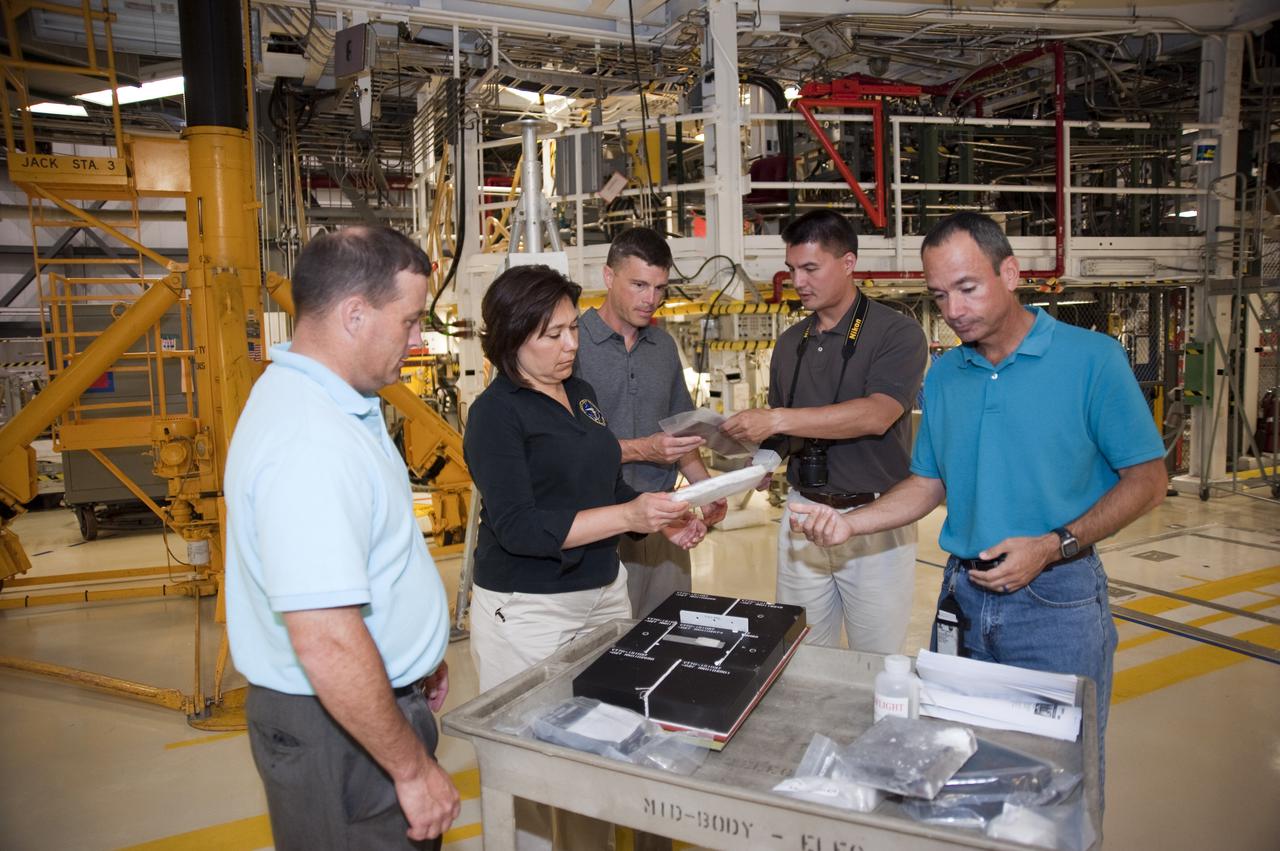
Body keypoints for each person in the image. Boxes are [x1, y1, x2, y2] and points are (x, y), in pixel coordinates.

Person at [790, 211, 1168, 795]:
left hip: (1057, 600)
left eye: (967, 288)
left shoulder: (1091, 360)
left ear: (1011, 273)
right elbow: (929, 482)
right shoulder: (945, 376)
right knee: (963, 767)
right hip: (962, 595)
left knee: (1061, 779)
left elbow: (1148, 478)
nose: (953, 309)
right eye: (940, 295)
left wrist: (1052, 545)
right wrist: (849, 524)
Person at [225, 226, 459, 849]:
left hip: (361, 706)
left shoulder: (337, 402)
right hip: (340, 732)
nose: (418, 340)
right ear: (355, 314)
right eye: (409, 321)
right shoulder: (310, 439)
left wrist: (416, 654)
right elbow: (326, 638)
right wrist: (410, 769)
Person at [463, 263, 705, 694]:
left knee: (605, 717)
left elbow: (605, 484)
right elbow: (520, 529)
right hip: (532, 608)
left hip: (605, 589)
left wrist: (659, 518)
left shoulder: (580, 393)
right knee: (527, 732)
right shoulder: (495, 414)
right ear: (512, 338)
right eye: (554, 335)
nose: (571, 344)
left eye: (573, 327)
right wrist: (629, 516)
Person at [722, 209, 927, 652]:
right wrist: (760, 461)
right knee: (799, 652)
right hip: (802, 514)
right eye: (792, 269)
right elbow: (785, 429)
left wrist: (775, 419)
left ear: (848, 263)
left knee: (876, 657)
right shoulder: (790, 342)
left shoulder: (897, 333)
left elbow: (877, 414)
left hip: (873, 519)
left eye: (811, 268)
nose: (798, 280)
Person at [575, 227, 727, 617]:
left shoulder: (663, 348)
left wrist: (708, 489)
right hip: (598, 525)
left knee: (668, 634)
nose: (651, 300)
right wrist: (644, 448)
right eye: (639, 284)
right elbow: (564, 447)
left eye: (660, 288)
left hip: (665, 521)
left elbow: (680, 435)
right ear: (609, 277)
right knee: (603, 650)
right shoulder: (572, 344)